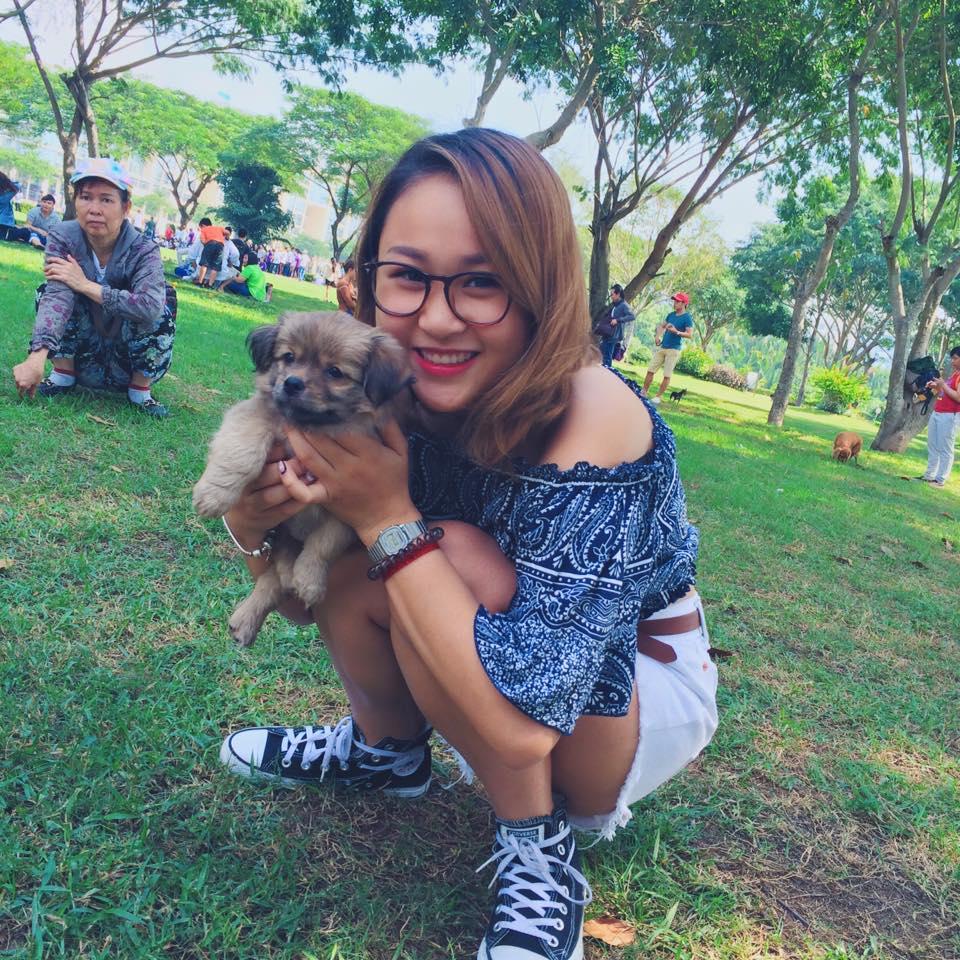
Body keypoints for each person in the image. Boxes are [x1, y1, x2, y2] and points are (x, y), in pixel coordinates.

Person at [216, 129, 718, 960]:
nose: (438, 317)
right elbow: (313, 599)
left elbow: (525, 730)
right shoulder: (373, 386)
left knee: (437, 546)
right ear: (370, 275)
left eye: (482, 282)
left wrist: (386, 514)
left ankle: (540, 851)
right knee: (389, 550)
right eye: (408, 276)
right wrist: (250, 523)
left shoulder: (594, 410)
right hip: (483, 632)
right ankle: (385, 752)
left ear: (541, 285)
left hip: (625, 682)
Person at [11, 157, 174, 417]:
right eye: (86, 197)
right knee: (47, 292)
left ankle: (140, 390)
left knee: (160, 307)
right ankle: (63, 374)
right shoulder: (63, 236)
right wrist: (36, 356)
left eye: (106, 200)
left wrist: (85, 285)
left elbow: (149, 307)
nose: (94, 209)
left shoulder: (144, 250)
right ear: (75, 201)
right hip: (83, 357)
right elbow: (57, 295)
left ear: (126, 207)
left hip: (127, 361)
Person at [642, 291, 694, 404]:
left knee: (666, 375)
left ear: (684, 303)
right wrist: (657, 336)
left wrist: (677, 332)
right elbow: (662, 326)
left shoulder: (687, 317)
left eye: (677, 301)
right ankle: (644, 392)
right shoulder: (671, 315)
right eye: (674, 301)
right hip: (663, 347)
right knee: (650, 370)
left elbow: (689, 334)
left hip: (674, 350)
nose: (674, 303)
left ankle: (658, 397)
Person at [919, 345, 960, 488]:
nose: (952, 361)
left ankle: (940, 480)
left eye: (955, 358)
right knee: (933, 445)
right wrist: (936, 386)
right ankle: (929, 475)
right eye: (952, 358)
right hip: (938, 412)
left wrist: (943, 384)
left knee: (945, 448)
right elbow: (945, 391)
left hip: (950, 415)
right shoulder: (955, 374)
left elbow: (958, 397)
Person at [596, 283, 634, 367]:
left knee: (607, 356)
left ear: (618, 294)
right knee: (602, 353)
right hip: (608, 333)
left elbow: (632, 316)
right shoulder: (616, 305)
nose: (611, 296)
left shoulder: (624, 305)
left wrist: (617, 320)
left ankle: (606, 372)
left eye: (612, 294)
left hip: (614, 335)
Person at [194, 217, 225, 287]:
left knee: (204, 264)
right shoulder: (219, 228)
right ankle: (210, 284)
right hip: (220, 246)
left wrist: (206, 245)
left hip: (210, 244)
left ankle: (200, 282)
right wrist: (227, 236)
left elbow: (202, 240)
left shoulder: (204, 229)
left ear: (203, 225)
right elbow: (227, 232)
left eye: (200, 227)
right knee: (215, 266)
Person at [0, 172, 30, 243]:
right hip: (5, 223)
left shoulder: (4, 196)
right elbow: (18, 184)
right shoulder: (7, 194)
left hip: (4, 224)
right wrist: (7, 182)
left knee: (10, 234)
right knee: (22, 232)